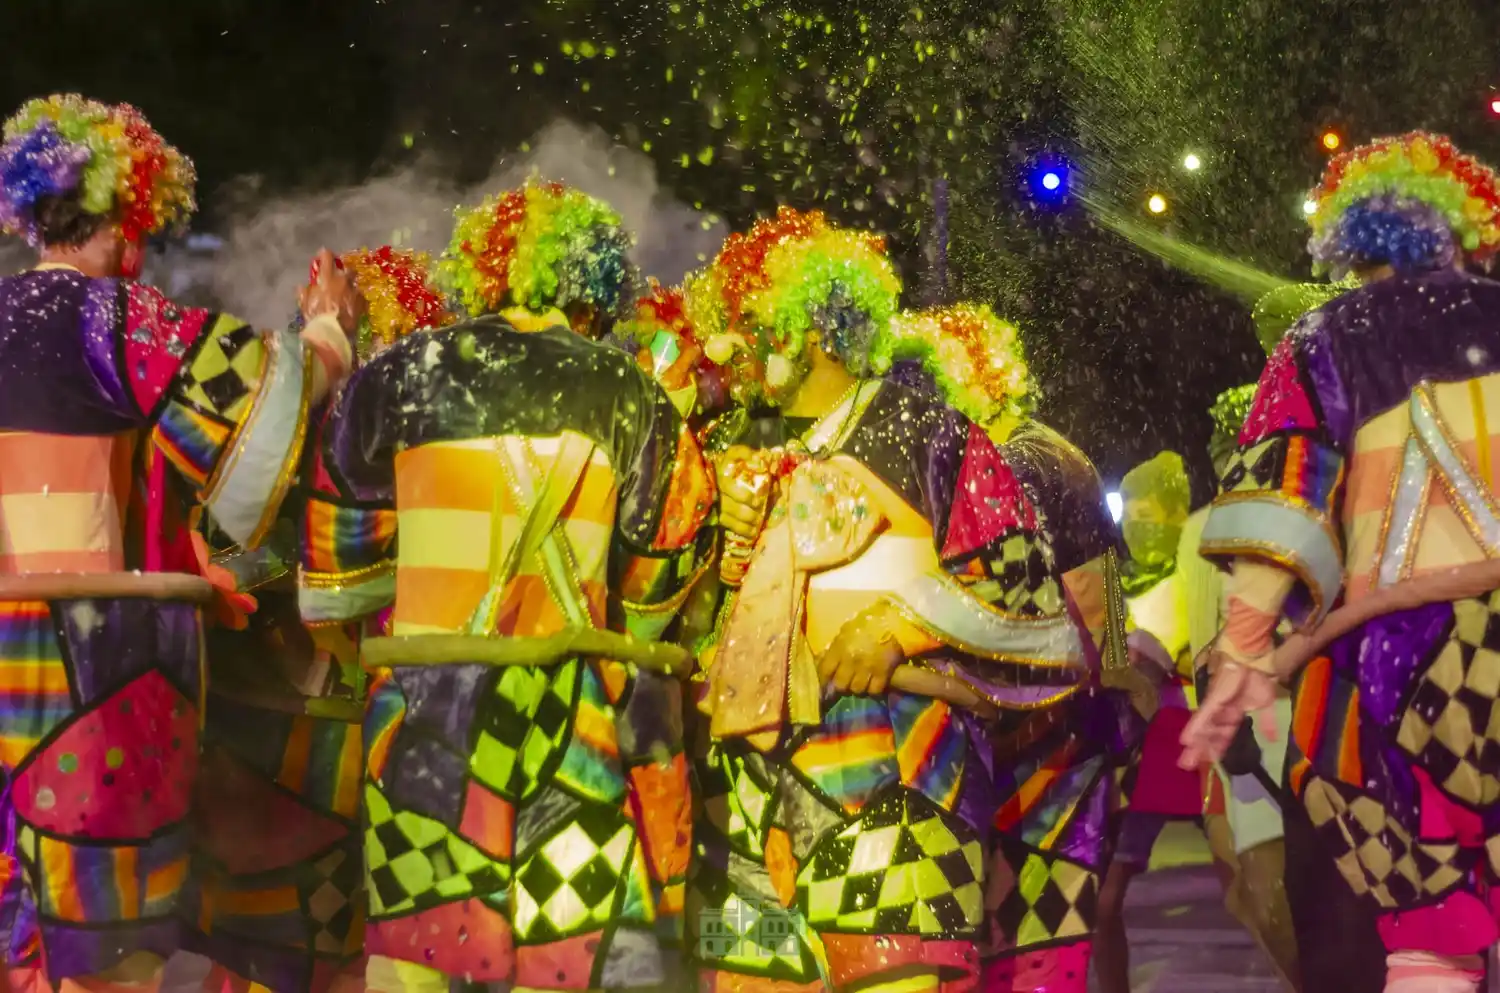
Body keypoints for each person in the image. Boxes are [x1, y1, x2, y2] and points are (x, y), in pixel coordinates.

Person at [685, 214, 1134, 993]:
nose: (732, 349)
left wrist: (900, 625)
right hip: (756, 798)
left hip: (897, 778)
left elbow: (1044, 615)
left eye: (751, 324)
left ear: (810, 328)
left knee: (904, 976)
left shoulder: (925, 430)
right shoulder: (763, 450)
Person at [301, 180, 717, 993]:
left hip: (424, 719)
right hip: (571, 723)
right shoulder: (631, 392)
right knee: (562, 956)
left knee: (418, 953)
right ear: (593, 293)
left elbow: (334, 583)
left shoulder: (395, 377)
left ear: (484, 274)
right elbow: (662, 583)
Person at [0, 94, 360, 993]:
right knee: (99, 951)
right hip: (72, 675)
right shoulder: (105, 317)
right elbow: (265, 393)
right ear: (125, 216)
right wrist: (328, 330)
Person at [1182, 131, 1500, 993]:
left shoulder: (1325, 336)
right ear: (1465, 229)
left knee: (1429, 941)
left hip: (1393, 679)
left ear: (1351, 244)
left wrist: (1243, 647)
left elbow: (1284, 500)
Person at [182, 247, 455, 993]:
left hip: (339, 754)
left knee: (327, 949)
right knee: (282, 951)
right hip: (284, 756)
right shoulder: (284, 457)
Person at [1182, 385, 1301, 990]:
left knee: (1272, 887)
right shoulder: (1209, 527)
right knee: (1261, 886)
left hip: (1286, 716)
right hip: (1248, 724)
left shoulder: (1293, 512)